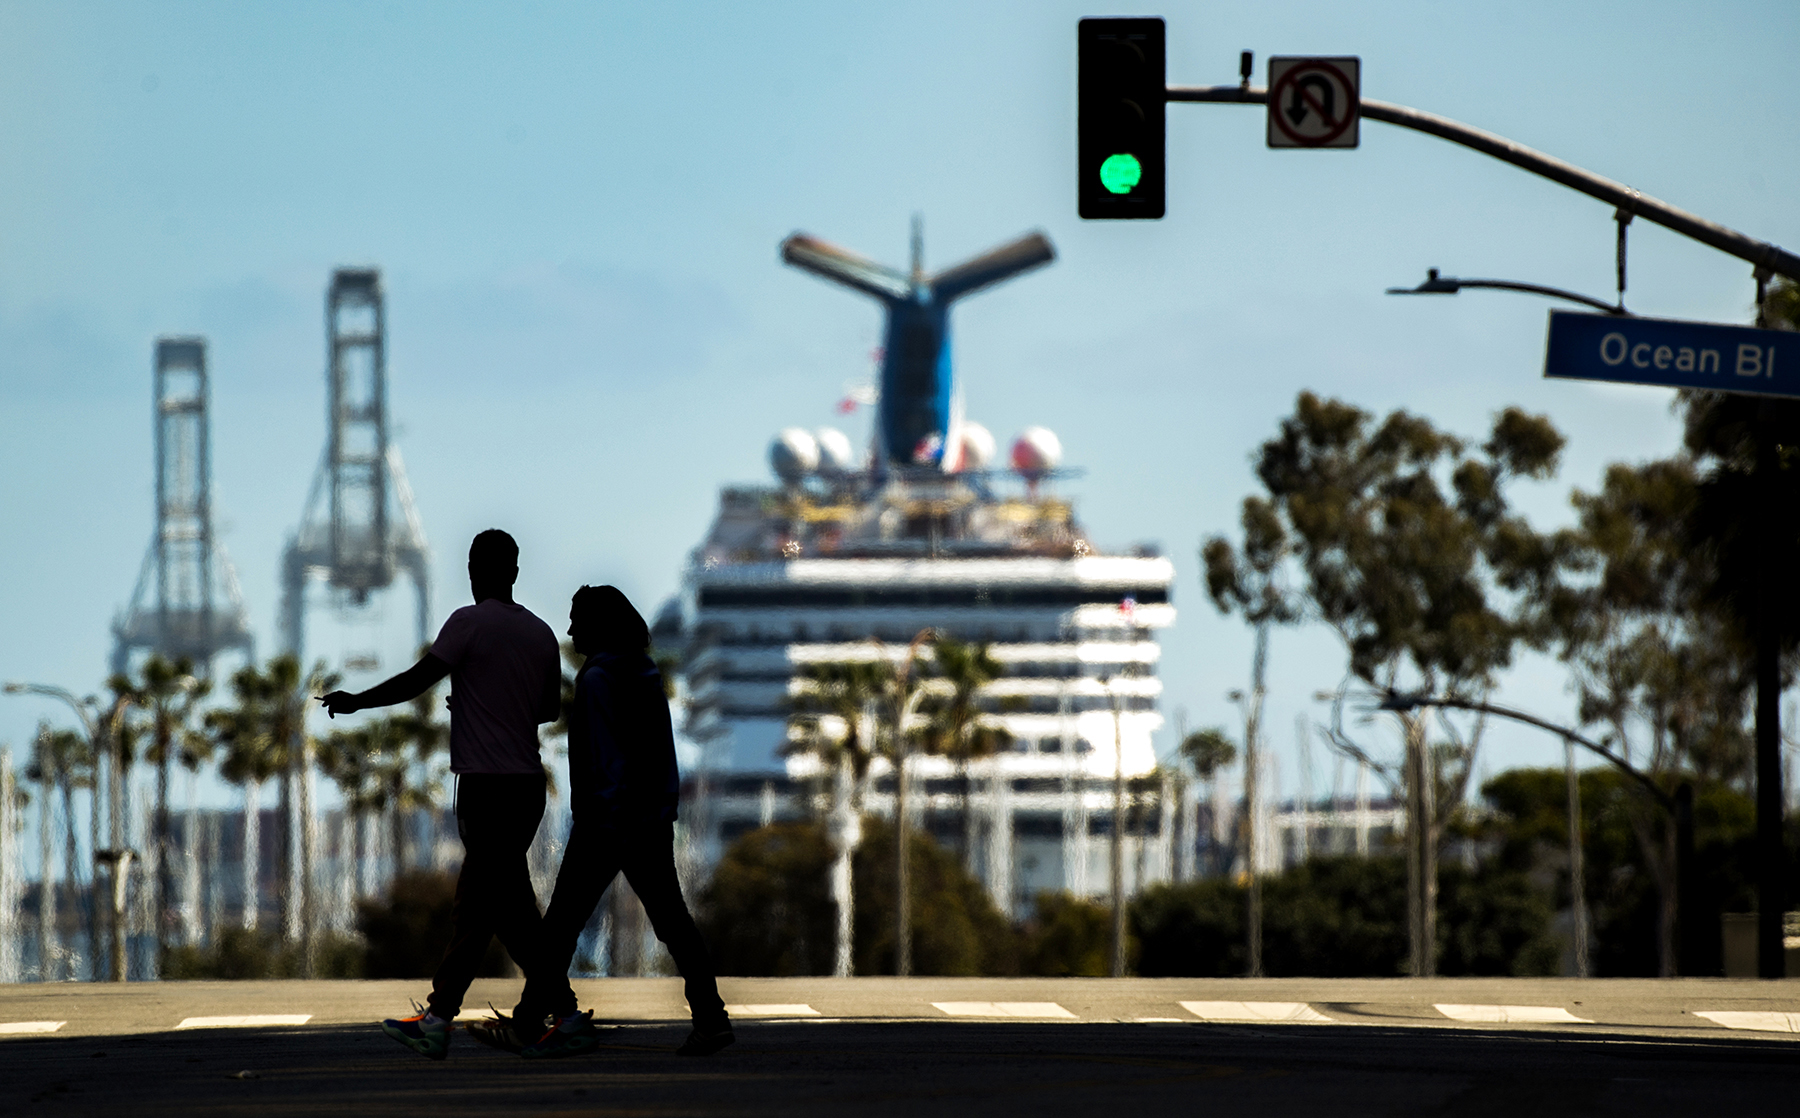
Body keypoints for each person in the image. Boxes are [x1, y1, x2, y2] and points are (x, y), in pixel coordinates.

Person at [318, 528, 563, 1061]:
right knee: (508, 907)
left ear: (475, 569)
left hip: (486, 788)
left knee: (477, 906)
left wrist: (357, 701)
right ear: (515, 572)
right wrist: (490, 702)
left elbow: (418, 680)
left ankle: (438, 1018)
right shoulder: (542, 634)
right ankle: (560, 1010)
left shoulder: (468, 623)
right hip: (527, 788)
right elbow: (548, 710)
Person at [505, 584, 732, 1058]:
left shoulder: (597, 679)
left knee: (561, 926)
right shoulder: (645, 672)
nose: (570, 629)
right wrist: (660, 810)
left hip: (607, 824)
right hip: (649, 819)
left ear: (599, 624)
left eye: (577, 620)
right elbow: (660, 754)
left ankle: (528, 1022)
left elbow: (605, 757)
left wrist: (600, 817)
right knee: (673, 924)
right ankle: (711, 1018)